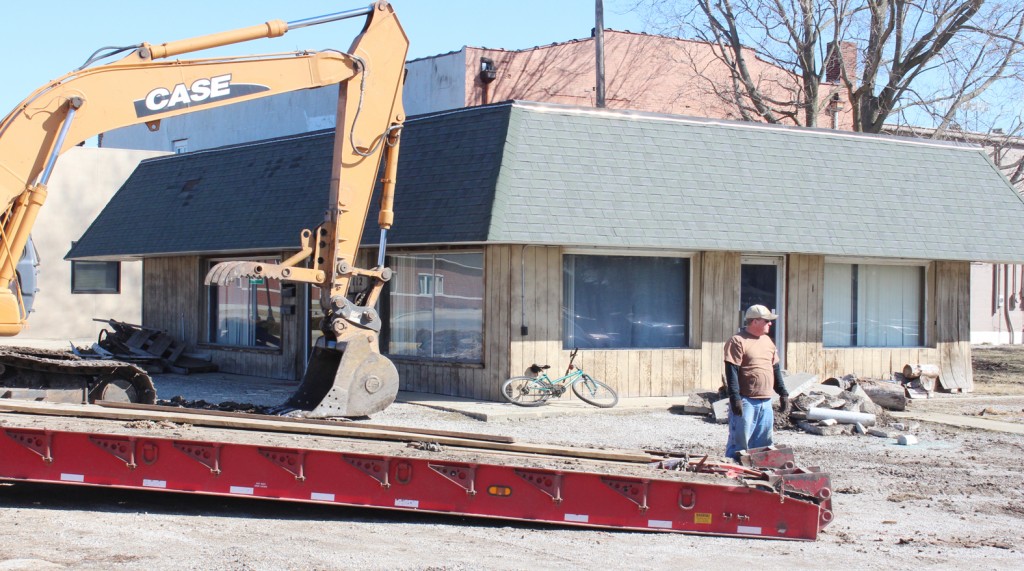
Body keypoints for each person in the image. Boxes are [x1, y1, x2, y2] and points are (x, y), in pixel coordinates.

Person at [724, 304, 790, 460]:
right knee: (739, 444)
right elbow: (731, 371)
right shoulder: (738, 341)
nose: (770, 324)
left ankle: (757, 476)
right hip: (746, 400)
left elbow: (775, 369)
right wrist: (735, 398)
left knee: (763, 445)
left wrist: (783, 393)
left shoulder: (768, 341)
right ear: (754, 322)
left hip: (765, 402)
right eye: (766, 321)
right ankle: (732, 473)